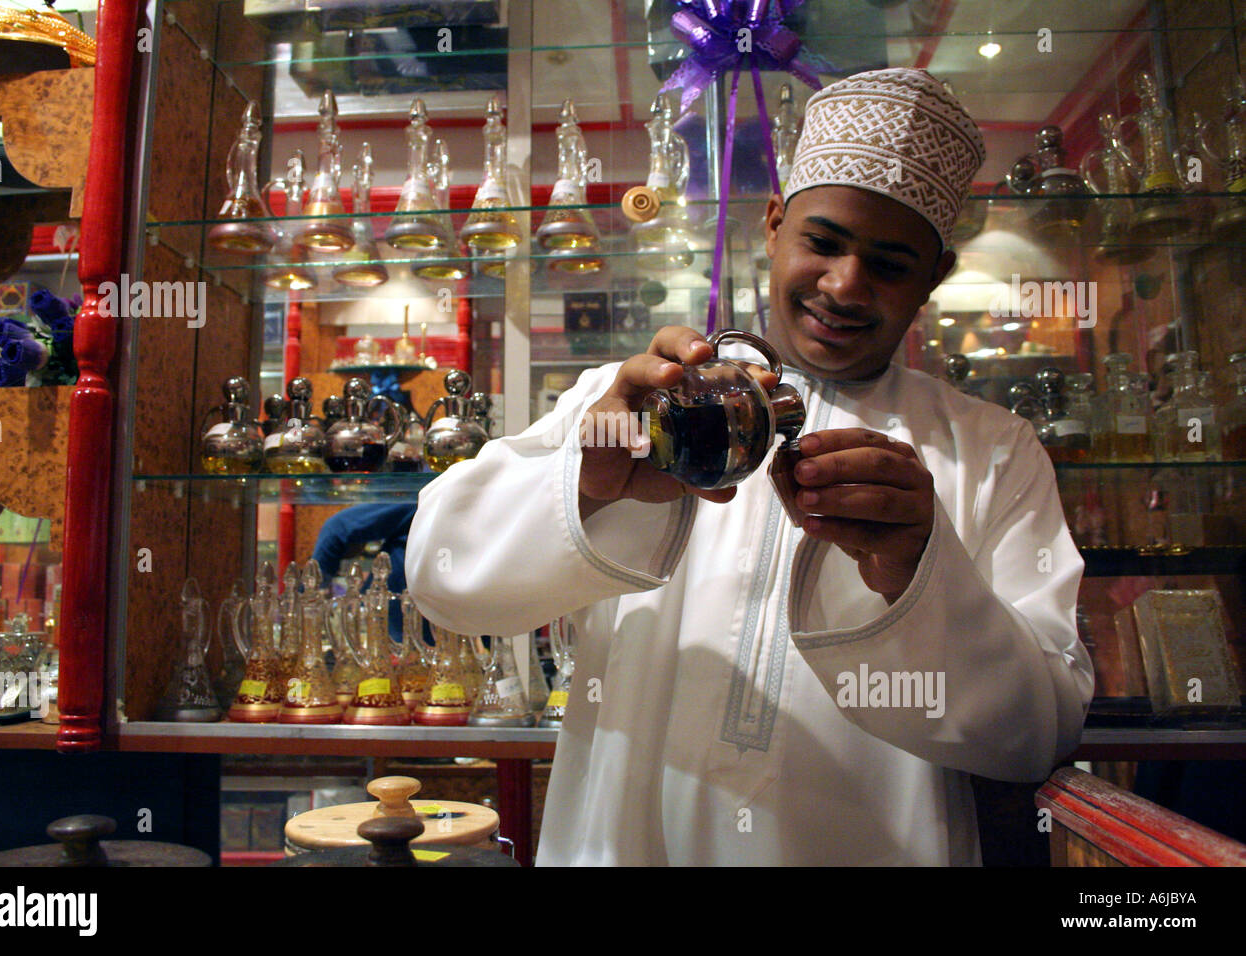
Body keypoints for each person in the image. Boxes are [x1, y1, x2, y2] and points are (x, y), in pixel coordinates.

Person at [406, 68, 1094, 865]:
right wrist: (592, 488)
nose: (844, 286)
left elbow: (1036, 732)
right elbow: (441, 580)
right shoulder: (633, 401)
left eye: (890, 264)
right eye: (824, 243)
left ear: (934, 278)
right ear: (773, 224)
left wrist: (917, 566)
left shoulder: (993, 450)